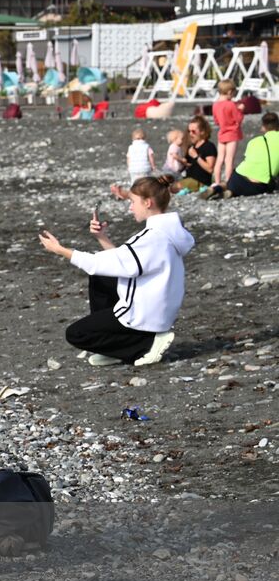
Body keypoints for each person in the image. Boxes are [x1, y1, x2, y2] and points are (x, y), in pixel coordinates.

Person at [38, 176, 193, 367]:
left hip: (145, 315)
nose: (130, 207)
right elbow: (121, 263)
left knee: (76, 334)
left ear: (148, 202)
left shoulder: (151, 238)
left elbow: (97, 262)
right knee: (101, 276)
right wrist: (101, 237)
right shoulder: (168, 233)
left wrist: (60, 250)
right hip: (157, 310)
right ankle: (116, 345)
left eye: (133, 202)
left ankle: (144, 345)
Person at [224, 110, 279, 197]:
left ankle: (221, 189)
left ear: (263, 127)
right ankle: (228, 190)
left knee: (230, 183)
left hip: (238, 178)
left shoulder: (253, 142)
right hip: (259, 185)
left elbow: (248, 160)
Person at [206, 80, 244, 198]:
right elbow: (238, 119)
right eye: (233, 93)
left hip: (222, 133)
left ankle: (217, 181)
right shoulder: (231, 104)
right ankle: (228, 182)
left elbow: (216, 120)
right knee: (229, 160)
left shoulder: (215, 104)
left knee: (220, 159)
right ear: (229, 92)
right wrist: (241, 109)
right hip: (232, 133)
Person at [173, 115, 217, 194]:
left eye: (193, 131)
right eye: (189, 131)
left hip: (201, 180)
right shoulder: (192, 146)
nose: (190, 134)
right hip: (189, 178)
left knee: (173, 188)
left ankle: (201, 188)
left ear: (202, 131)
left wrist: (196, 157)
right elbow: (188, 165)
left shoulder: (209, 146)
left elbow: (210, 169)